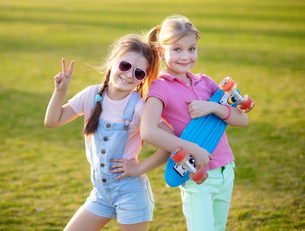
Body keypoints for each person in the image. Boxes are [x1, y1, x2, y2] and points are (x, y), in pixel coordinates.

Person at [113, 15, 249, 231]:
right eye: (177, 49)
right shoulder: (160, 88)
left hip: (226, 170)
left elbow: (243, 119)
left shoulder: (205, 82)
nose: (186, 56)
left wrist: (212, 107)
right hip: (196, 176)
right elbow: (148, 131)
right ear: (161, 52)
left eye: (191, 49)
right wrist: (193, 148)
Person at [44, 34, 168, 231]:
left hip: (131, 194)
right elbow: (52, 121)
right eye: (125, 66)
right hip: (101, 194)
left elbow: (169, 142)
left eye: (138, 73)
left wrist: (139, 168)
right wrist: (60, 91)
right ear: (112, 61)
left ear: (142, 79)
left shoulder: (139, 107)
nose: (129, 75)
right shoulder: (91, 95)